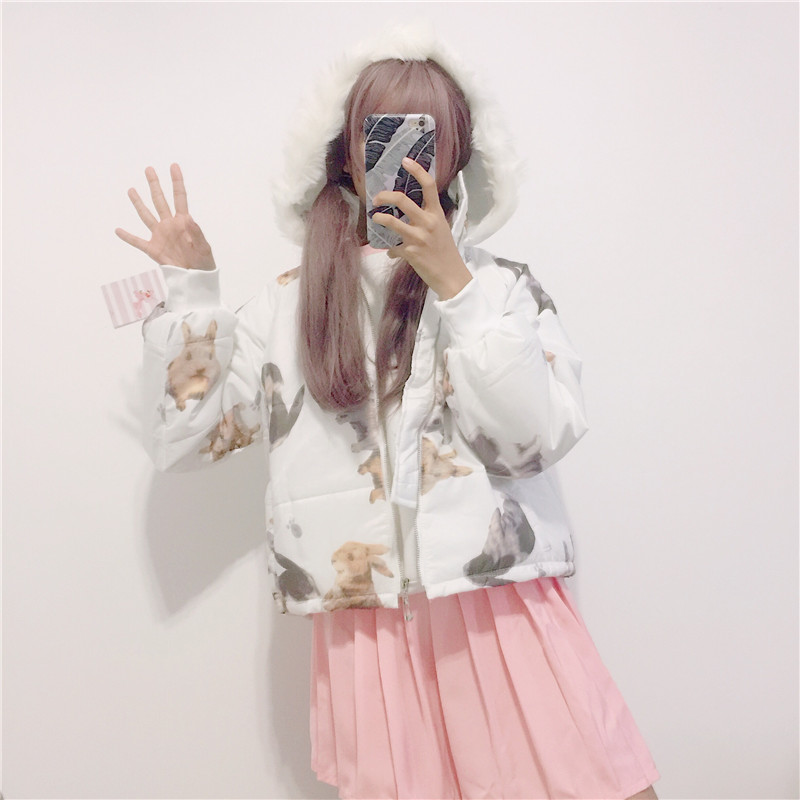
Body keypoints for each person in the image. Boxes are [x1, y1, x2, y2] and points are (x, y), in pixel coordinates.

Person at [116, 22, 661, 800]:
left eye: (427, 138)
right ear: (348, 153)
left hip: (496, 600)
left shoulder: (501, 290)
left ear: (457, 155)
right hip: (362, 618)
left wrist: (457, 288)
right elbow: (188, 441)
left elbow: (530, 441)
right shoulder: (288, 308)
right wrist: (192, 293)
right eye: (385, 134)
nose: (407, 162)